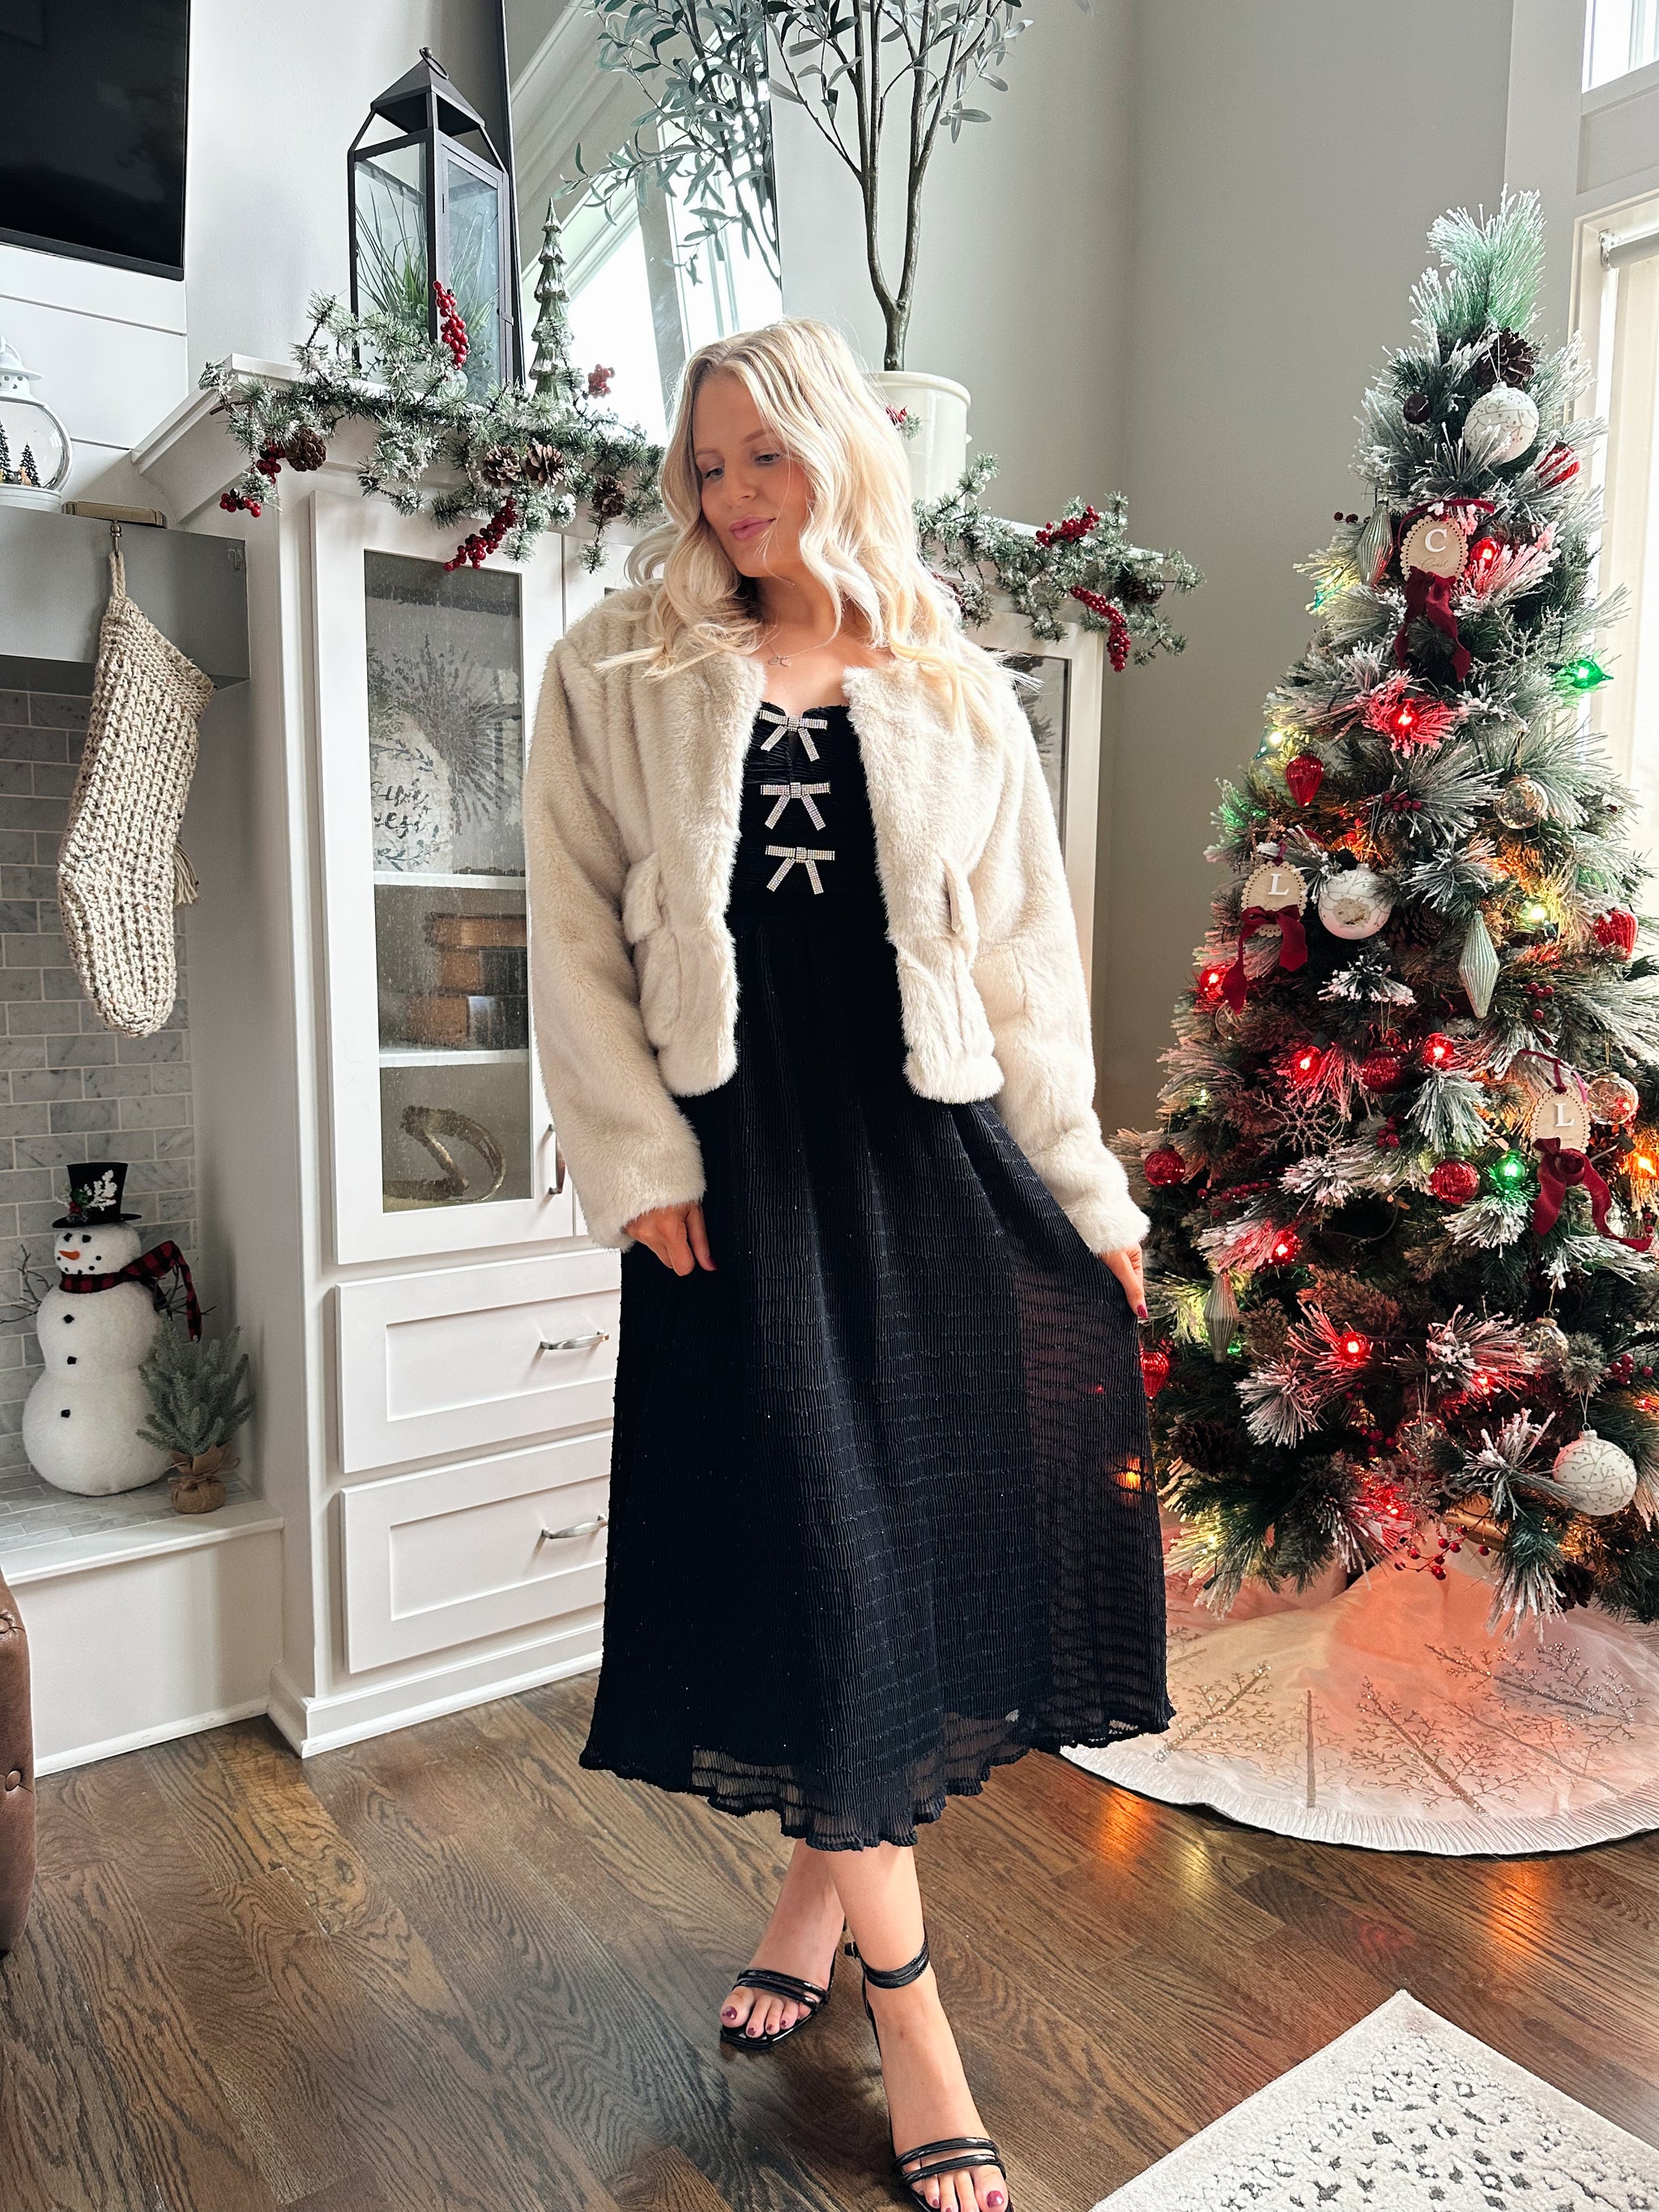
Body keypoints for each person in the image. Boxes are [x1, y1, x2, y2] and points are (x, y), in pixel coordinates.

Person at [524, 318, 1171, 2212]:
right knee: (811, 1548)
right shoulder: (614, 665)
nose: (732, 493)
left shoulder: (958, 690)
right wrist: (633, 1159)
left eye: (766, 455)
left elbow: (1025, 975)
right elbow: (566, 929)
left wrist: (1093, 1207)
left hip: (925, 1163)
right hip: (733, 1180)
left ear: (841, 457)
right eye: (707, 462)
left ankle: (816, 1895)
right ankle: (917, 2026)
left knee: (892, 1560)